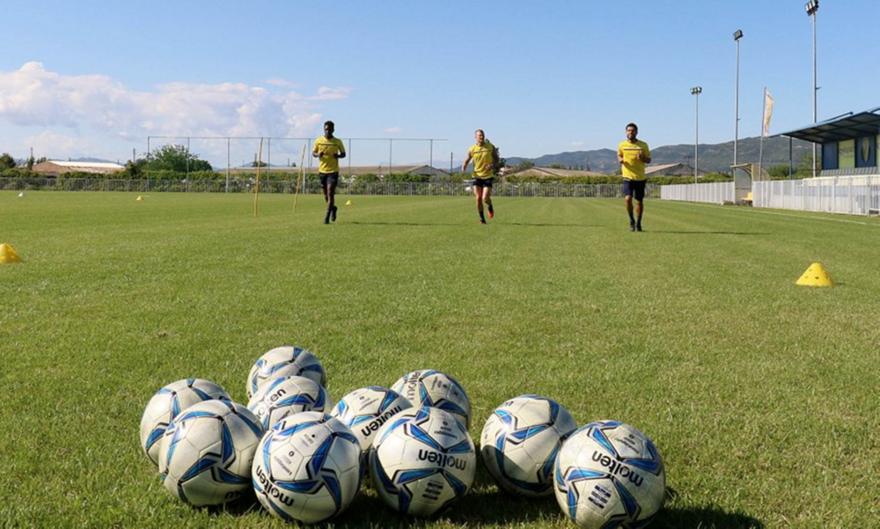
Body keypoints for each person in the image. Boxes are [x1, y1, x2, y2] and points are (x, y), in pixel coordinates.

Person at [617, 122, 651, 231]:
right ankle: (632, 221)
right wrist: (620, 159)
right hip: (627, 176)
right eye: (628, 130)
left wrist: (642, 158)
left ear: (636, 132)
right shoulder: (622, 145)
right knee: (628, 198)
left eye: (632, 131)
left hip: (640, 177)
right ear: (626, 132)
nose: (630, 132)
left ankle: (639, 223)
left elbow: (649, 160)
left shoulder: (643, 145)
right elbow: (619, 154)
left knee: (639, 201)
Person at [462, 129, 499, 224]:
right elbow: (467, 159)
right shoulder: (472, 149)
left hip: (488, 176)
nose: (481, 137)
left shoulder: (490, 147)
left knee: (485, 198)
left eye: (482, 135)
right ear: (475, 137)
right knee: (478, 198)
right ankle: (482, 219)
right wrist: (464, 167)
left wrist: (491, 165)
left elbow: (496, 159)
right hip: (476, 176)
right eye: (479, 135)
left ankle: (490, 206)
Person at [312, 121, 346, 224]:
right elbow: (313, 153)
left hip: (333, 171)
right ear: (324, 129)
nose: (327, 131)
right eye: (326, 129)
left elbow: (343, 154)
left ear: (333, 130)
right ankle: (333, 208)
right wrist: (318, 154)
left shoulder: (337, 142)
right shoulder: (319, 141)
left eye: (329, 129)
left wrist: (337, 156)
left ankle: (326, 217)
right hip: (322, 171)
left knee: (330, 192)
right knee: (326, 196)